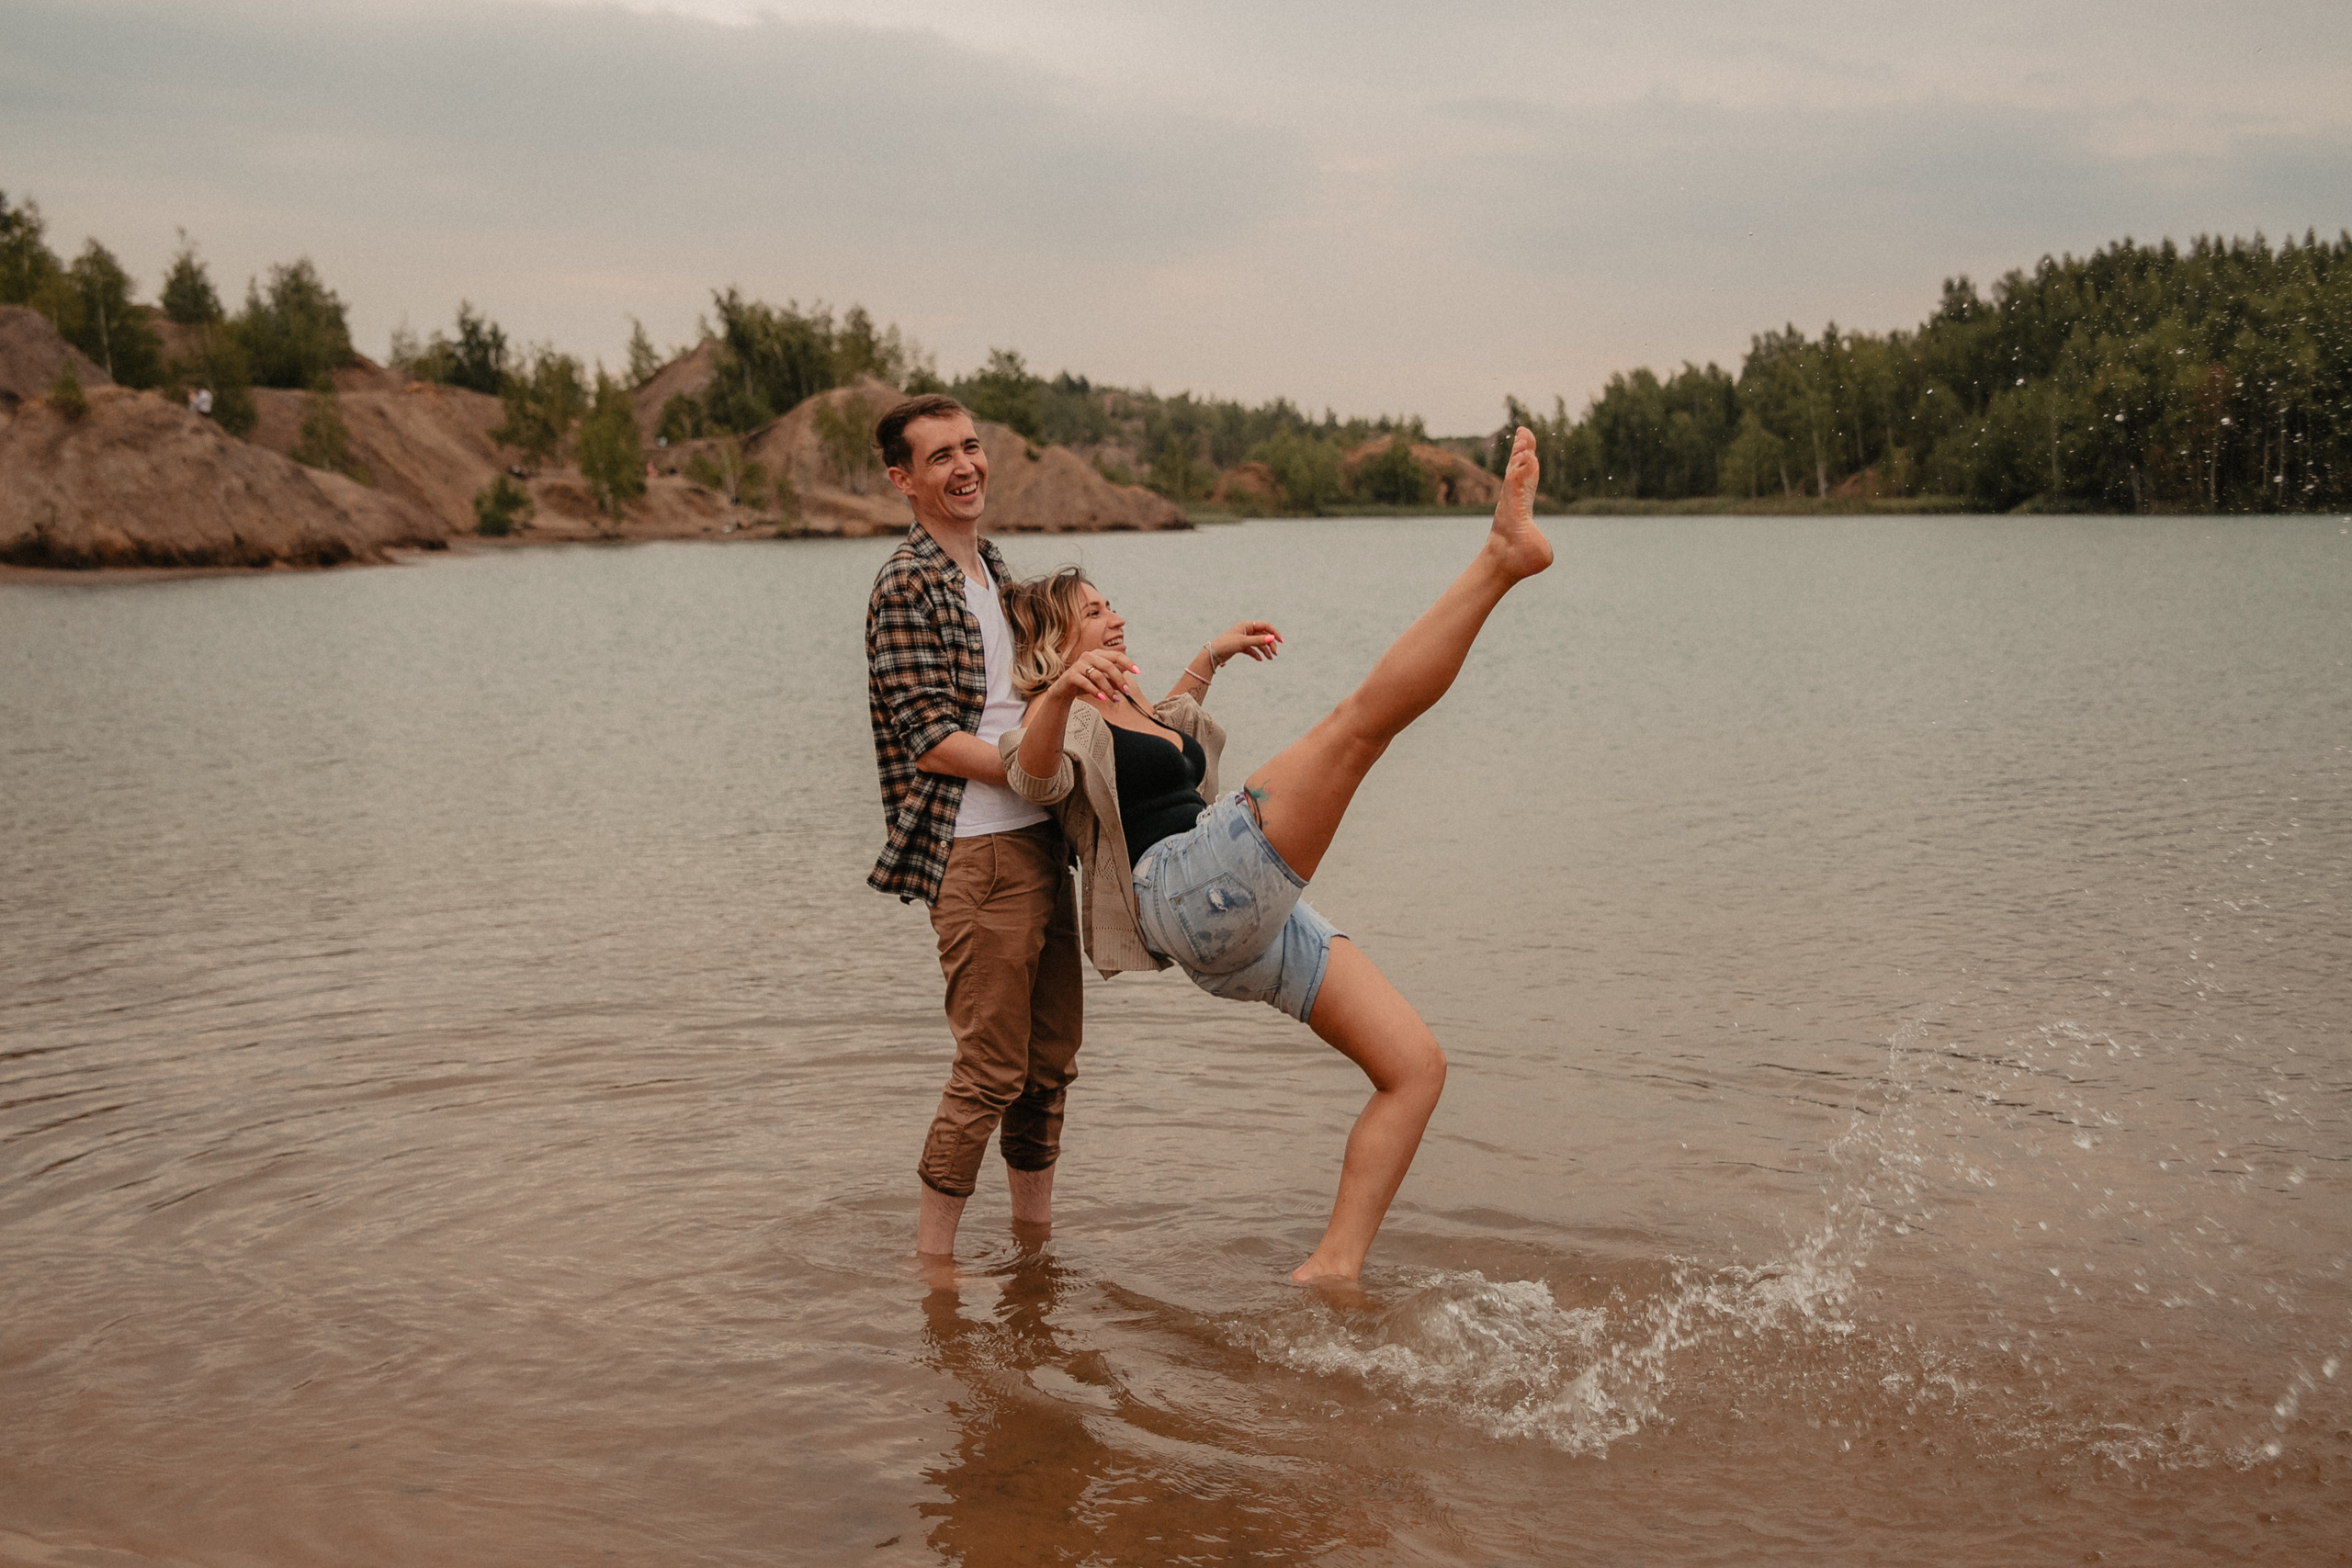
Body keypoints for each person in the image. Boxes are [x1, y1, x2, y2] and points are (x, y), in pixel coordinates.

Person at [998, 427, 1550, 1282]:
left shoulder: (1128, 698)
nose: (1115, 614)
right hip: (1185, 887)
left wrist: (1208, 657)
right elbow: (1032, 780)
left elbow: (1170, 746)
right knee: (1357, 724)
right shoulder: (1061, 715)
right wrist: (1061, 693)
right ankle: (1500, 559)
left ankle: (1332, 1270)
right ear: (1058, 636)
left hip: (1228, 926)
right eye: (1096, 608)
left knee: (1414, 1067)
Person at [865, 394, 1083, 1262]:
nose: (966, 467)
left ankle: (1036, 1245)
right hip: (975, 848)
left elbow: (1045, 694)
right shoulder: (905, 584)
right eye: (940, 457)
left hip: (1039, 839)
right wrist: (1041, 767)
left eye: (972, 447)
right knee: (990, 1069)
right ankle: (936, 1270)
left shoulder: (993, 569)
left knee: (1049, 1064)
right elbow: (929, 735)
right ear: (902, 479)